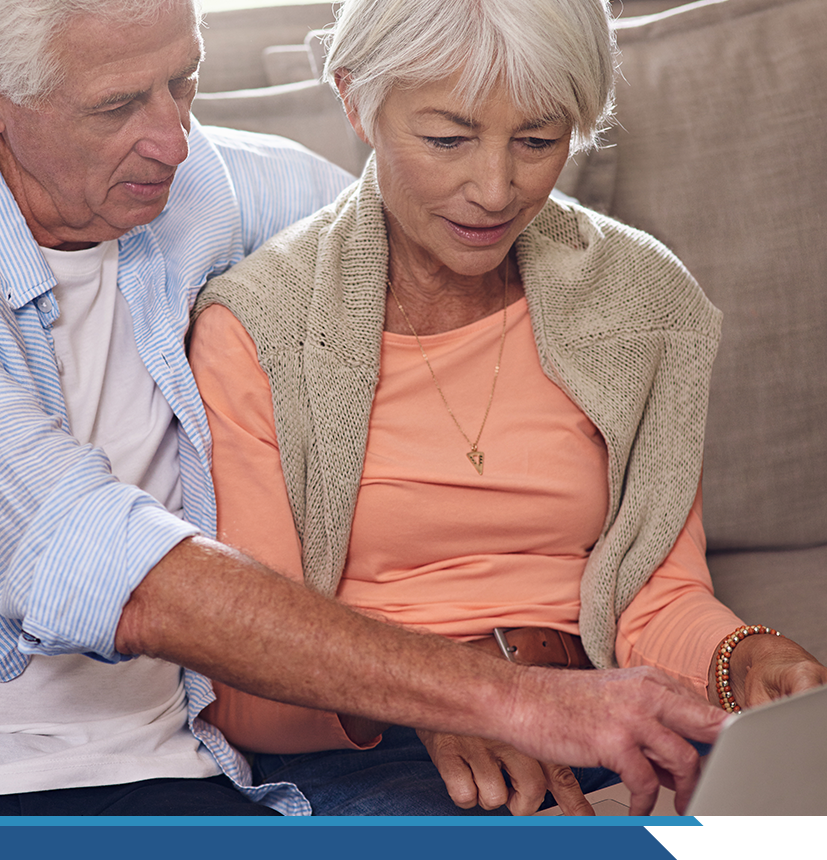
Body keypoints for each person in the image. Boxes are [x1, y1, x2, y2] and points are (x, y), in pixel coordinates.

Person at [0, 0, 734, 818]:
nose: (174, 140)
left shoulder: (218, 184)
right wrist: (497, 696)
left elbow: (400, 221)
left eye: (184, 82)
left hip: (205, 762)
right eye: (117, 105)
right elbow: (103, 564)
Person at [188, 0, 827, 817]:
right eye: (448, 139)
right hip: (386, 742)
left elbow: (653, 599)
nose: (495, 190)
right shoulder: (258, 328)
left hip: (604, 707)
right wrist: (454, 697)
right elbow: (243, 680)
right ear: (355, 99)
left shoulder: (641, 303)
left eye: (537, 139)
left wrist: (742, 655)